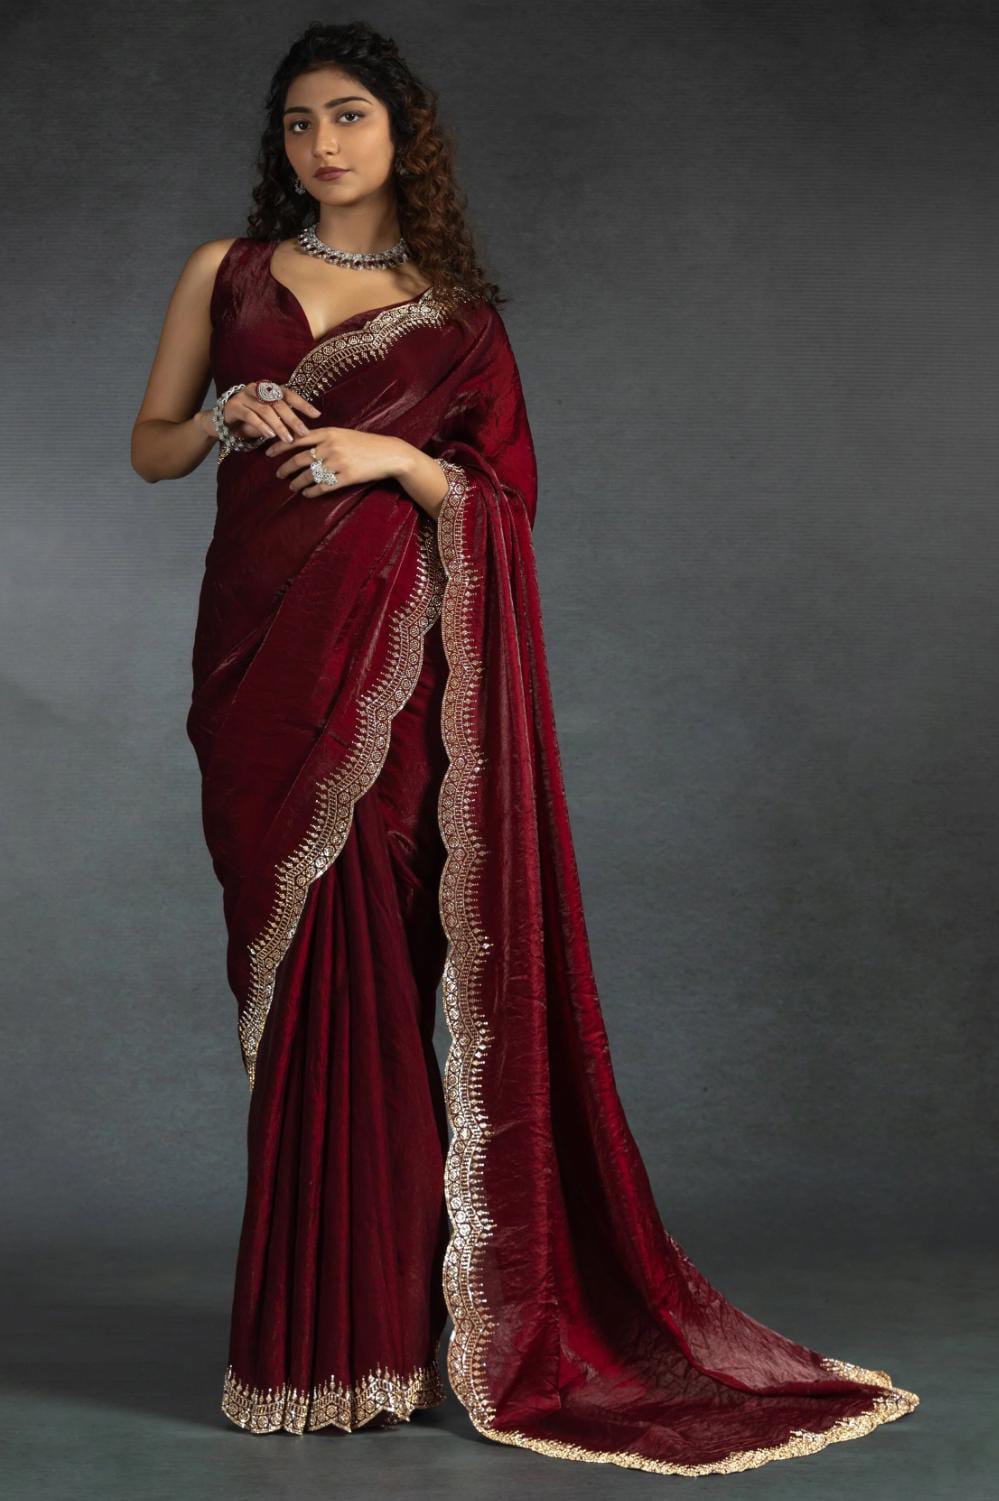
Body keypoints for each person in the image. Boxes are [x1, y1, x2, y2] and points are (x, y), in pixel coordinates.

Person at [131, 21, 919, 1476]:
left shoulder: (458, 323)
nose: (322, 144)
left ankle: (357, 1344)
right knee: (291, 983)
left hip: (390, 680)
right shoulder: (224, 273)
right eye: (299, 121)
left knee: (376, 981)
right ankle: (320, 1338)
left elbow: (503, 502)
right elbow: (152, 444)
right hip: (253, 670)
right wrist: (226, 410)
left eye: (349, 116)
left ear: (402, 133)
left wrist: (395, 458)